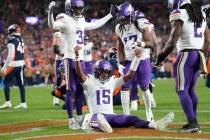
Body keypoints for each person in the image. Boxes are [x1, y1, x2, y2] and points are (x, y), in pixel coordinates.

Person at [48, 0, 118, 129]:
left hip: (81, 60)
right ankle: (71, 121)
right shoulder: (64, 18)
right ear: (69, 8)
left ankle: (80, 118)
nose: (78, 10)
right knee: (70, 90)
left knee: (80, 90)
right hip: (69, 58)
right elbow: (53, 25)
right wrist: (50, 13)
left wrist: (110, 15)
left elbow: (94, 25)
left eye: (80, 8)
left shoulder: (80, 20)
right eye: (75, 8)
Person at [74, 45, 174, 133]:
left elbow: (129, 75)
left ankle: (154, 125)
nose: (105, 75)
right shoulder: (90, 81)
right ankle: (100, 123)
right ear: (96, 71)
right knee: (92, 117)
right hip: (94, 115)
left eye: (107, 72)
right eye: (102, 72)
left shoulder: (112, 81)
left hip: (110, 116)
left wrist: (137, 59)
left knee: (132, 118)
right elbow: (80, 75)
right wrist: (77, 57)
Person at [156, 0, 209, 133]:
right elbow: (207, 39)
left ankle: (192, 122)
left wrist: (160, 57)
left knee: (181, 90)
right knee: (191, 90)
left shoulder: (179, 13)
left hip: (185, 55)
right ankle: (193, 121)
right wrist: (203, 56)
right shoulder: (201, 14)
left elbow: (172, 41)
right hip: (198, 54)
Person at [115, 2, 154, 121]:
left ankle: (149, 112)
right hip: (128, 61)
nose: (123, 21)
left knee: (144, 86)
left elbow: (150, 43)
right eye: (121, 19)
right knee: (124, 86)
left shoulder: (141, 23)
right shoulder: (119, 28)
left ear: (131, 16)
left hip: (142, 59)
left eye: (125, 18)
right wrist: (120, 64)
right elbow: (120, 48)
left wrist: (138, 43)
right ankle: (126, 116)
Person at [130, 10, 158, 111]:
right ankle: (143, 100)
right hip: (139, 55)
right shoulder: (142, 25)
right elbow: (155, 42)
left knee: (142, 81)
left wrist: (156, 55)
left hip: (143, 55)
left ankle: (147, 99)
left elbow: (154, 42)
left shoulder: (145, 26)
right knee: (140, 80)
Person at [0, 24, 27, 109]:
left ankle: (8, 102)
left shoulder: (11, 40)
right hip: (21, 64)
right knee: (21, 84)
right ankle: (23, 103)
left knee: (5, 81)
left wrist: (4, 67)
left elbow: (11, 56)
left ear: (11, 31)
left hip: (14, 64)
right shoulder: (21, 40)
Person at [52, 31, 64, 106]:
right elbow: (55, 49)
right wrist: (62, 54)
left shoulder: (70, 32)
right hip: (60, 60)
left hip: (68, 59)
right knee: (59, 78)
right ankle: (56, 99)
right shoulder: (58, 34)